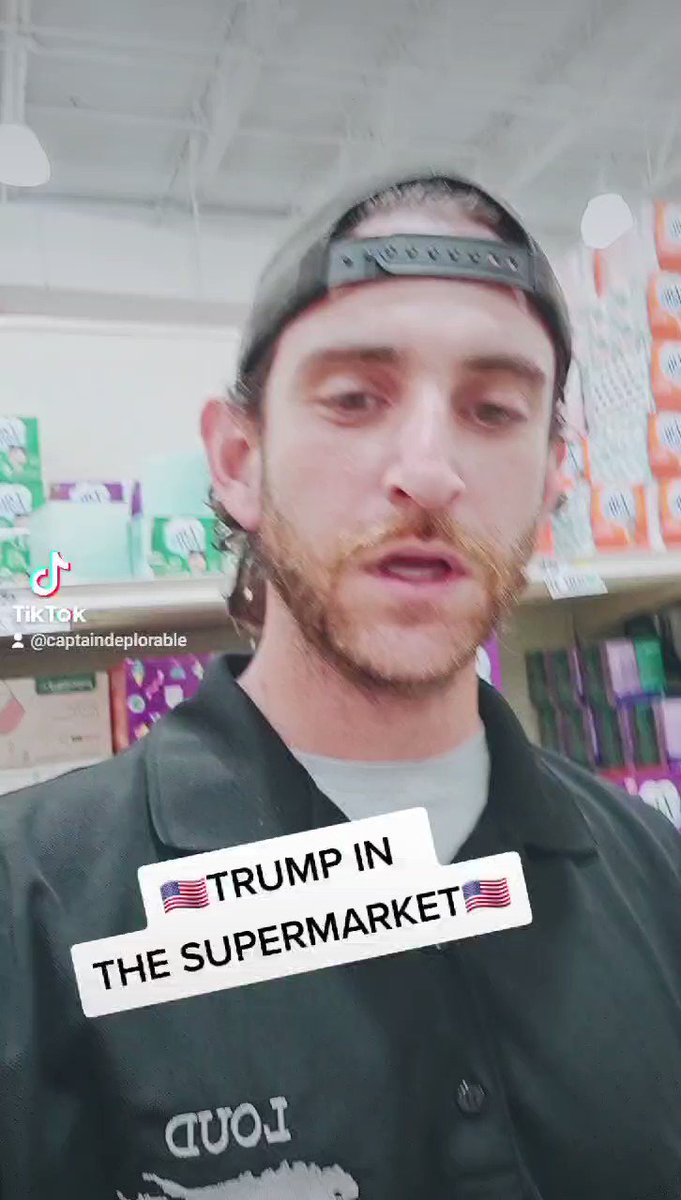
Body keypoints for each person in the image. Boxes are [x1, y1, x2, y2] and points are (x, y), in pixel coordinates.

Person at [0, 168, 680, 1200]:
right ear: (238, 460)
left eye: (494, 410)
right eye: (355, 399)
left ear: (553, 478)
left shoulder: (655, 879)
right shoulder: (32, 909)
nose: (429, 471)